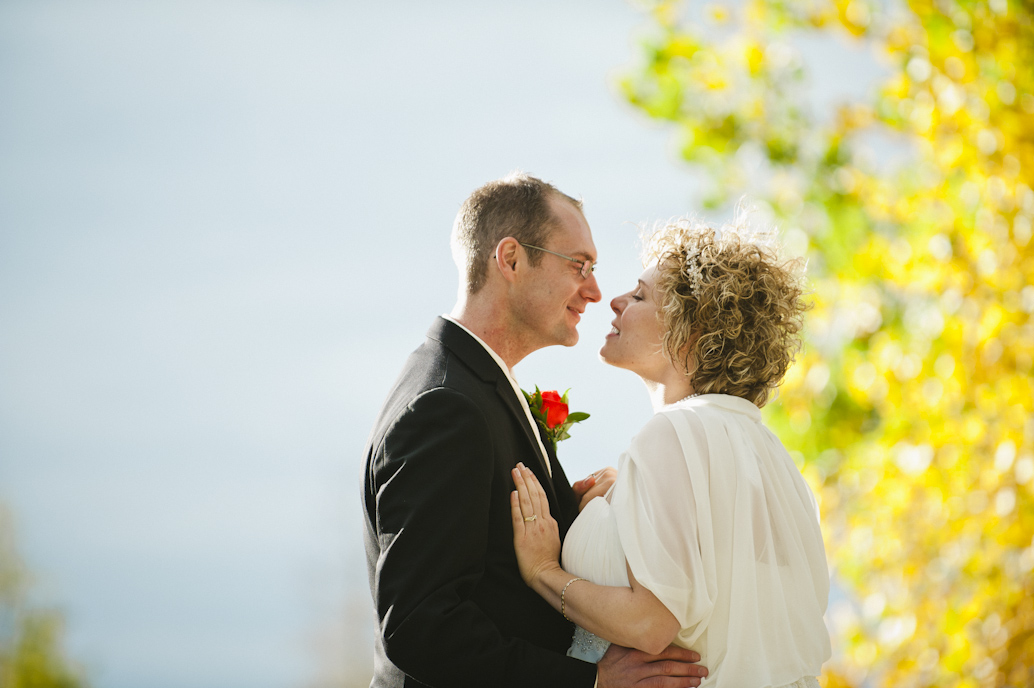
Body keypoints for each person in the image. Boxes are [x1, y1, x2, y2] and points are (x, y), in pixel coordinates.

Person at [361, 173, 710, 688]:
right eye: (580, 265)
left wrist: (583, 513)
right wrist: (590, 683)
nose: (594, 292)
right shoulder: (444, 407)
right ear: (511, 259)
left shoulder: (475, 388)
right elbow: (420, 626)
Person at [511, 214, 832, 687]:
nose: (614, 301)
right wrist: (625, 502)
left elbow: (651, 622)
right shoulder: (768, 454)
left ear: (690, 334)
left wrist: (542, 572)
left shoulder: (674, 434)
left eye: (639, 296)